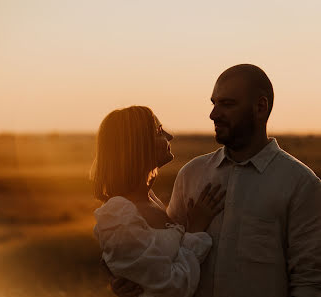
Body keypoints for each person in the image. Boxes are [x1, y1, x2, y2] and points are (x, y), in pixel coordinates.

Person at [109, 64, 321, 297]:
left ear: (260, 108)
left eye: (227, 104)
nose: (213, 114)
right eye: (214, 103)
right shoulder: (192, 174)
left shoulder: (300, 184)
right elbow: (169, 259)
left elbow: (308, 280)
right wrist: (133, 281)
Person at [92, 106, 226, 297]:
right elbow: (170, 287)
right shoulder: (119, 214)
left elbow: (148, 265)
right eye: (159, 131)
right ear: (138, 145)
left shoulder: (150, 198)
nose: (169, 136)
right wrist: (195, 230)